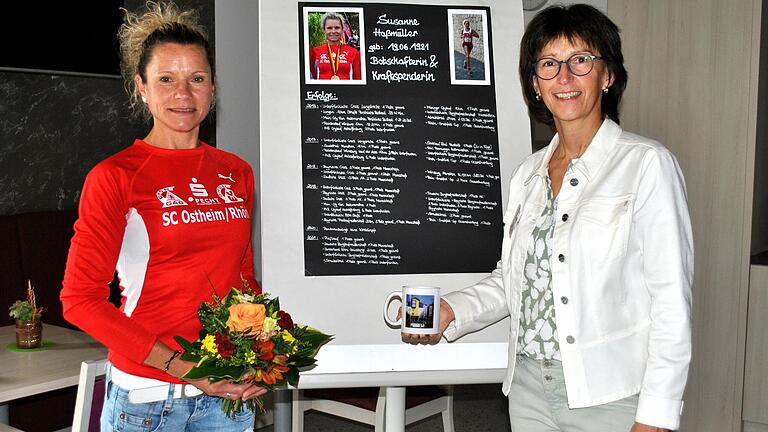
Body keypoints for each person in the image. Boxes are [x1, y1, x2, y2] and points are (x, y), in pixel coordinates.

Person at [404, 4, 693, 432]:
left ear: (608, 75)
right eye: (549, 64)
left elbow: (672, 304)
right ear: (535, 84)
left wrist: (657, 416)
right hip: (527, 390)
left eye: (581, 60)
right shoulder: (527, 174)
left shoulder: (647, 165)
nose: (564, 77)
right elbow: (514, 279)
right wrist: (451, 310)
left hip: (610, 395)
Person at [60, 1, 266, 430]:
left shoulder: (237, 172)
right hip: (147, 400)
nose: (183, 95)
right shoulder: (116, 176)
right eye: (166, 80)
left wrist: (256, 351)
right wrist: (187, 367)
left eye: (197, 79)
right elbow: (80, 301)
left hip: (224, 394)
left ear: (213, 86)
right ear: (142, 87)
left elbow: (242, 279)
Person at [309, 12, 362, 80]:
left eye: (337, 28)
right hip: (323, 90)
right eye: (329, 28)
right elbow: (313, 77)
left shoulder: (354, 53)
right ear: (324, 30)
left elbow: (358, 79)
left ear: (343, 30)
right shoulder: (315, 52)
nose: (333, 31)